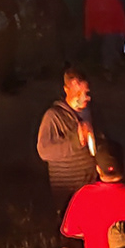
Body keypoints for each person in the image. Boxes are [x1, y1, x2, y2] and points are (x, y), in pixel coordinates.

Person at [35, 68, 100, 207]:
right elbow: (44, 151)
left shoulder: (91, 112)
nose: (85, 98)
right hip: (68, 193)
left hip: (91, 187)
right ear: (66, 90)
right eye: (78, 93)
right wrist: (75, 141)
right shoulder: (53, 117)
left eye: (86, 93)